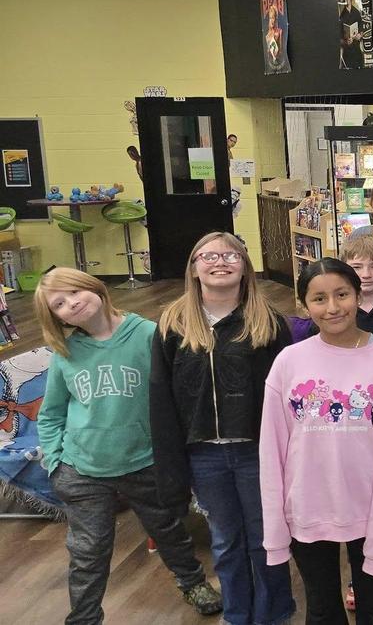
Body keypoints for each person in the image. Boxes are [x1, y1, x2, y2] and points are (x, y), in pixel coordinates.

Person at [35, 267, 224, 624]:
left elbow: (176, 395)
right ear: (54, 316)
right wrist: (55, 463)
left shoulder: (148, 335)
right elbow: (51, 413)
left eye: (74, 292)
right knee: (87, 551)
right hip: (82, 470)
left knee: (169, 531)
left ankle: (192, 583)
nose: (71, 304)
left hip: (144, 462)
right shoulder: (66, 353)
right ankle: (84, 616)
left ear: (95, 287)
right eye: (59, 303)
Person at [259, 259, 373, 624]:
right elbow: (272, 452)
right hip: (307, 509)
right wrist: (275, 530)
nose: (332, 308)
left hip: (370, 509)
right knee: (322, 608)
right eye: (319, 298)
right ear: (305, 305)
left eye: (342, 294)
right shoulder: (288, 361)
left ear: (358, 295)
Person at [149, 233, 293, 625]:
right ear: (194, 268)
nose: (220, 261)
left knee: (267, 540)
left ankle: (274, 614)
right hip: (204, 455)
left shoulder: (268, 322)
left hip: (256, 452)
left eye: (230, 254)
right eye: (208, 255)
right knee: (225, 541)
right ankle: (236, 614)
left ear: (245, 265)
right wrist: (172, 469)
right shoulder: (173, 325)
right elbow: (161, 400)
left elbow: (285, 400)